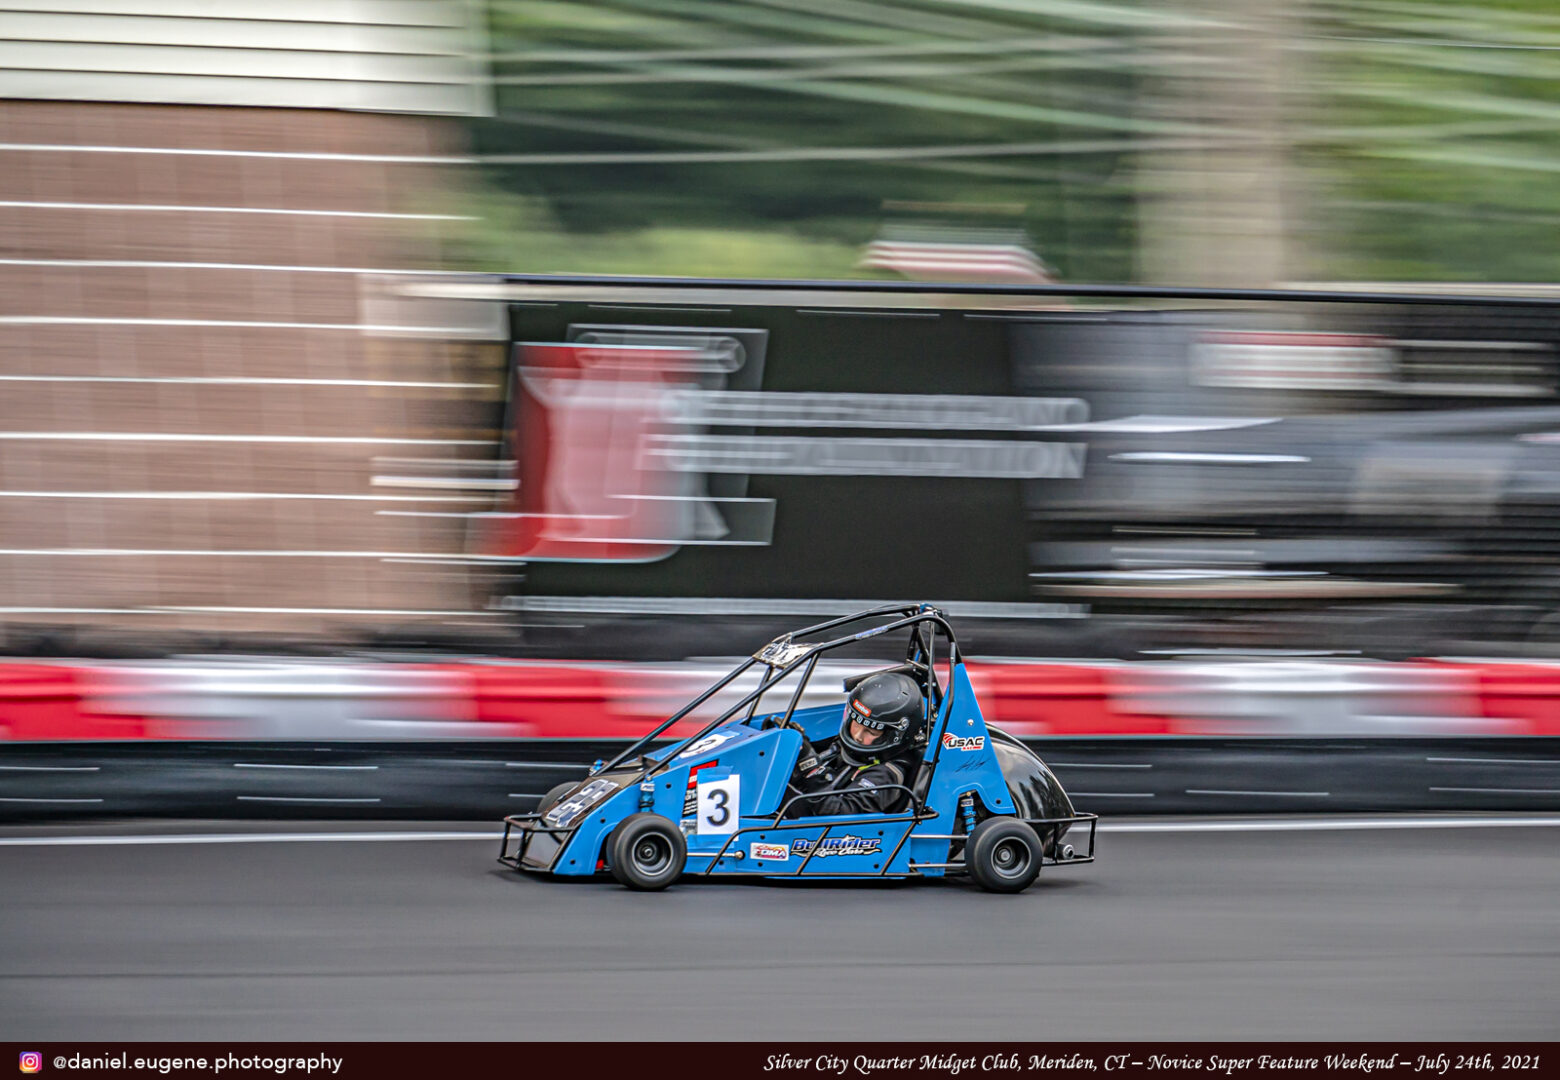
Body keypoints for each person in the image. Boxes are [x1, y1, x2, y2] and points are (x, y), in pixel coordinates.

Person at [784, 671, 924, 817]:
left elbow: (840, 815)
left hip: (828, 835)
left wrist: (810, 769)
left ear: (894, 736)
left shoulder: (886, 775)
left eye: (871, 732)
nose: (857, 736)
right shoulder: (849, 745)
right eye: (856, 724)